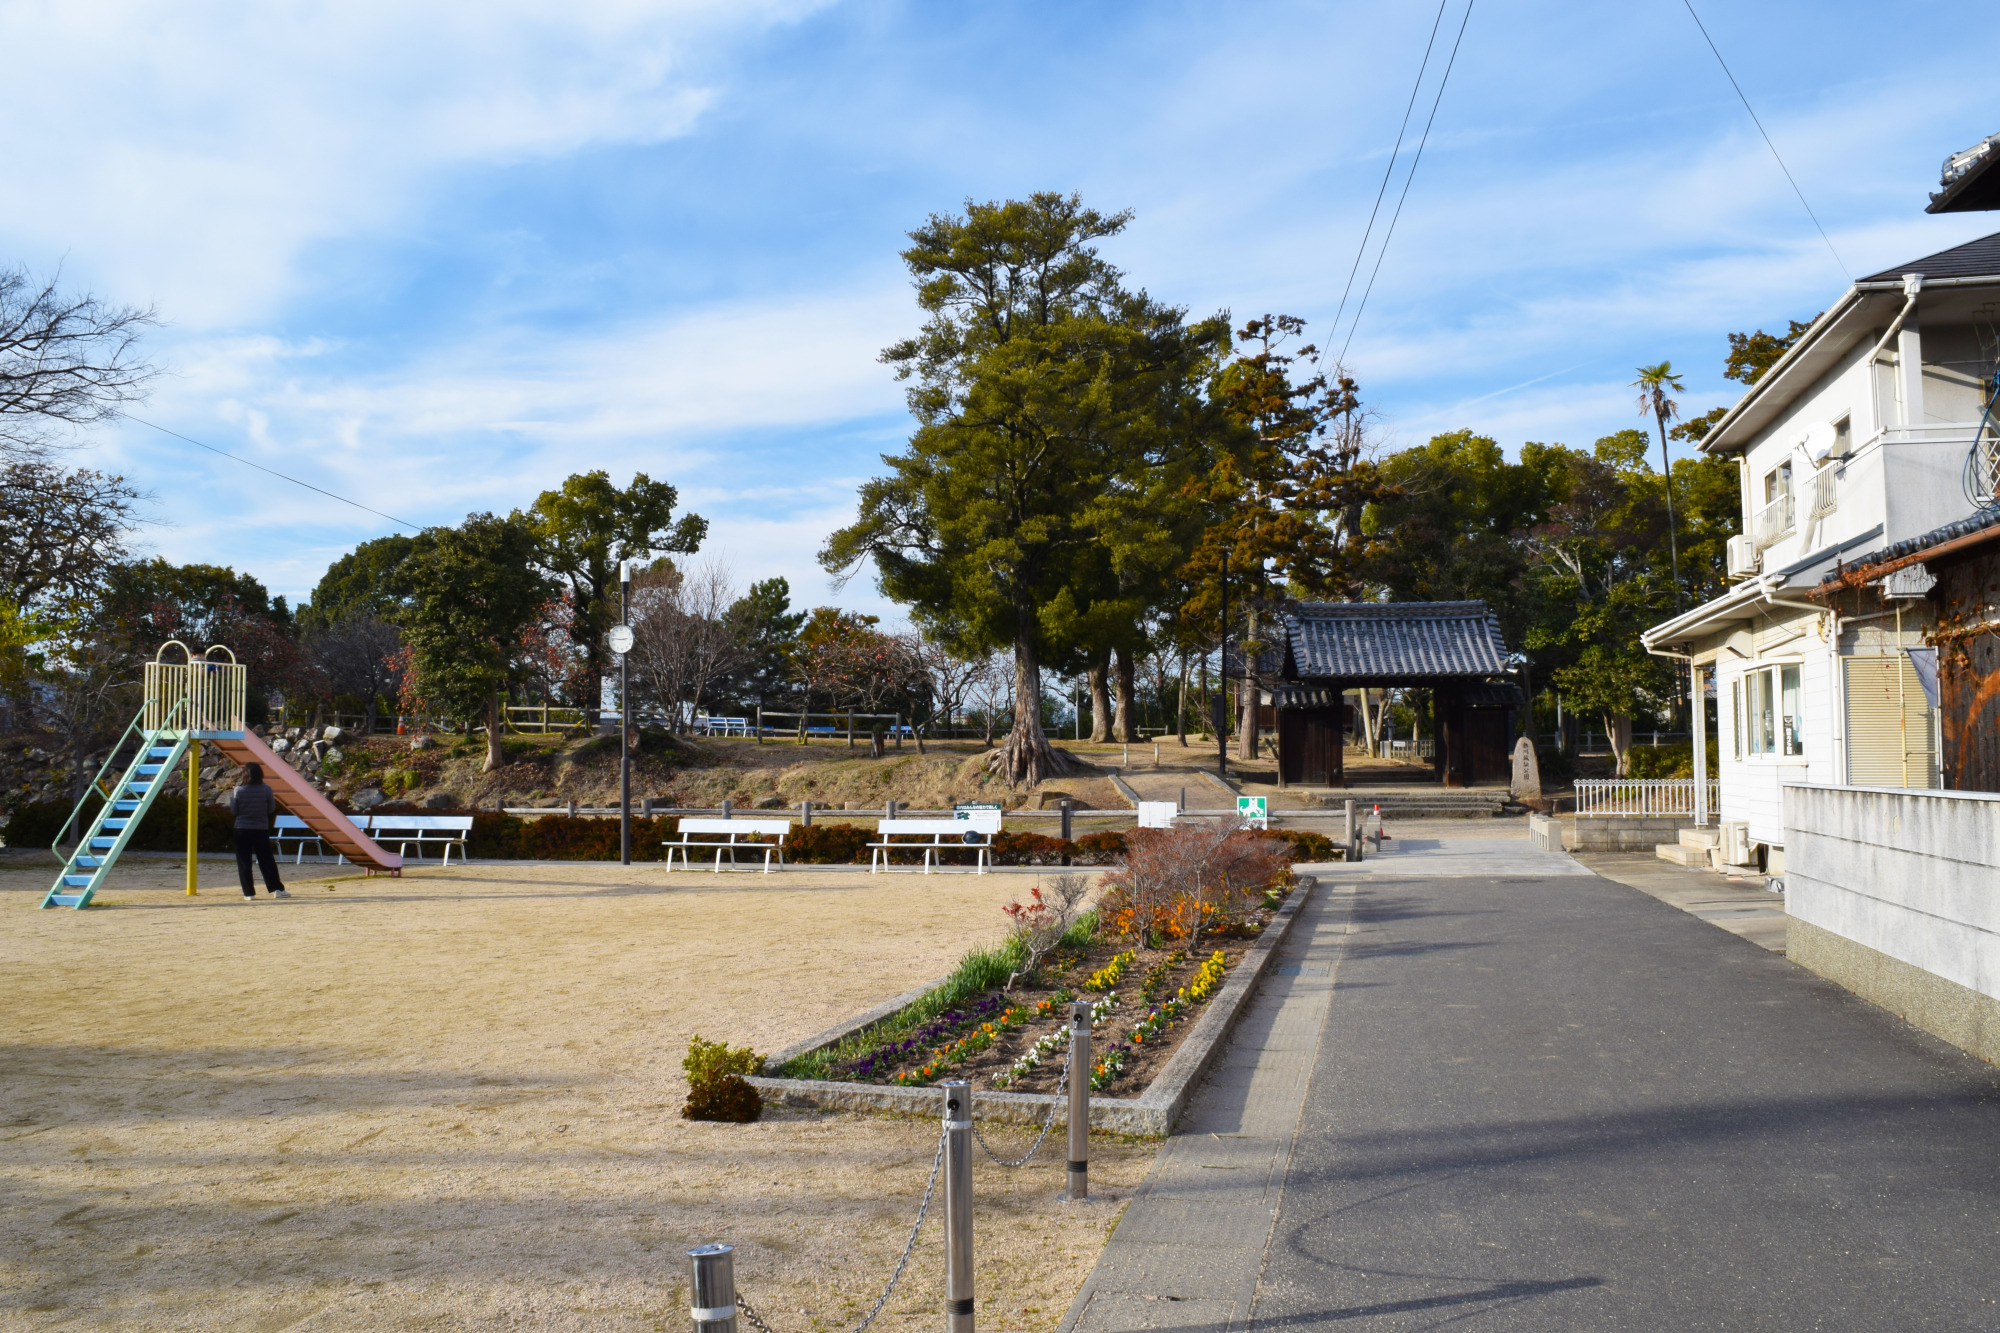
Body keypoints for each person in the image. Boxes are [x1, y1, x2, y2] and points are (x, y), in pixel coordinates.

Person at [228, 763, 290, 900]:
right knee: (266, 860)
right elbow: (271, 809)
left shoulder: (239, 790)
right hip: (260, 828)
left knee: (244, 862)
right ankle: (276, 889)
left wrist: (232, 798)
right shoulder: (266, 789)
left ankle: (248, 893)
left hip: (241, 829)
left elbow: (234, 811)